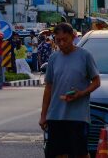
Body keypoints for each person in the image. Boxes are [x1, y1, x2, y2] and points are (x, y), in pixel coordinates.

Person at [39, 23, 101, 158]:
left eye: (65, 39)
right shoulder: (53, 58)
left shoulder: (85, 56)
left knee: (79, 153)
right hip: (55, 116)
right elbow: (48, 87)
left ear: (73, 37)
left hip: (78, 117)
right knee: (56, 154)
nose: (61, 43)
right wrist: (43, 115)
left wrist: (81, 93)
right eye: (58, 40)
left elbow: (96, 82)